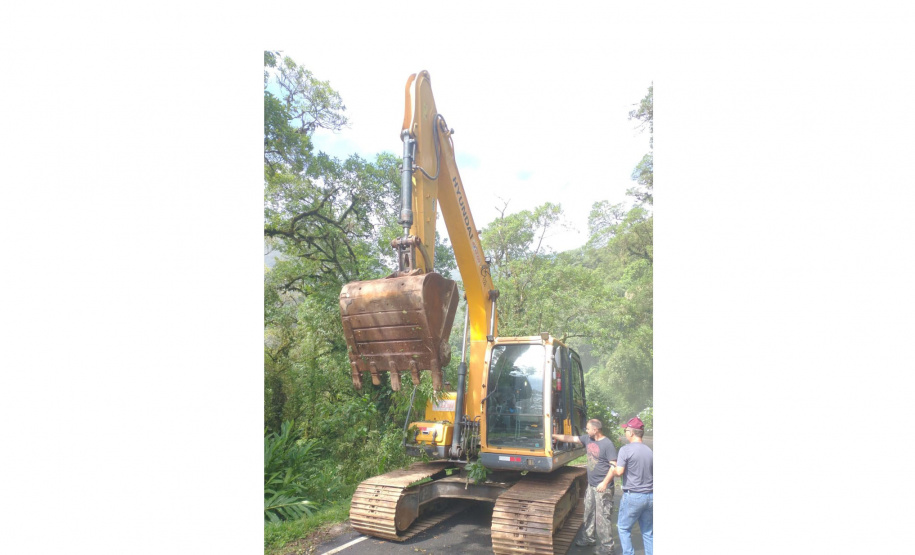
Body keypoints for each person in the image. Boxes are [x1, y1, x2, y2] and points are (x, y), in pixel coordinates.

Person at [552, 419, 616, 554]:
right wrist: (552, 436)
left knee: (602, 518)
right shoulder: (588, 439)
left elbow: (614, 466)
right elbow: (570, 438)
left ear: (595, 430)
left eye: (588, 428)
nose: (586, 431)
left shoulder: (607, 444)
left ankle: (607, 547)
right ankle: (589, 538)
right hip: (591, 486)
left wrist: (604, 483)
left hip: (603, 488)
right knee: (588, 512)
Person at [609, 417, 653, 555]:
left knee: (623, 528)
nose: (625, 432)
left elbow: (619, 472)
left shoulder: (625, 450)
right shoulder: (650, 451)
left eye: (626, 430)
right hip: (650, 496)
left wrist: (613, 468)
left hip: (633, 496)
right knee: (648, 532)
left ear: (632, 433)